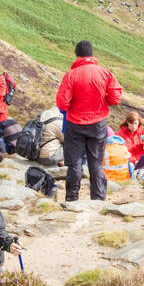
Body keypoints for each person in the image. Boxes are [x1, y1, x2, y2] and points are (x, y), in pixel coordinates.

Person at [54, 41, 123, 202]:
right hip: (98, 124)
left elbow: (62, 103)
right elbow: (116, 98)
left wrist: (73, 106)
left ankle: (72, 197)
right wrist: (102, 100)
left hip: (75, 124)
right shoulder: (105, 74)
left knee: (74, 164)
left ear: (77, 55)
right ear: (92, 55)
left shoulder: (71, 75)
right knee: (96, 163)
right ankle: (98, 199)